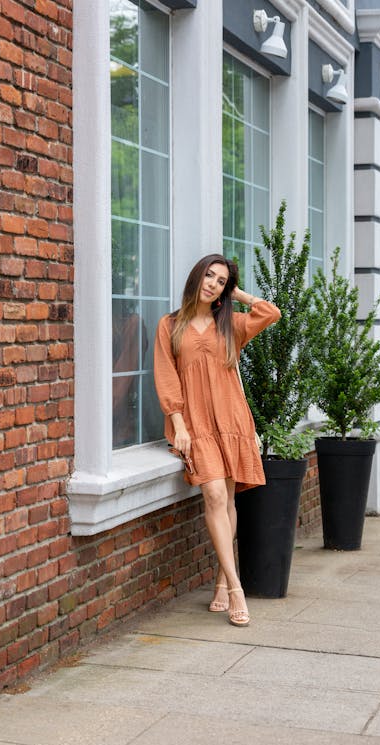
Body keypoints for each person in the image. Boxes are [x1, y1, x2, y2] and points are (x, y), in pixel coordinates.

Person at [154, 253, 281, 627]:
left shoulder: (230, 325)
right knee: (213, 495)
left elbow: (271, 313)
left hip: (231, 419)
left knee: (227, 499)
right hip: (194, 424)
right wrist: (178, 424)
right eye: (209, 276)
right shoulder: (170, 325)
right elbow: (166, 376)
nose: (212, 283)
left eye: (221, 281)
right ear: (197, 277)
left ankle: (223, 581)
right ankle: (237, 586)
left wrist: (238, 295)